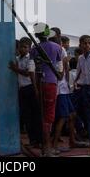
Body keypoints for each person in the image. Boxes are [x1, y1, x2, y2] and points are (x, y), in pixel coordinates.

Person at [30, 23, 63, 157]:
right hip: (51, 83)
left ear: (37, 35)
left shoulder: (34, 49)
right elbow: (60, 69)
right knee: (49, 116)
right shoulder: (57, 47)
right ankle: (48, 148)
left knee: (43, 115)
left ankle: (46, 146)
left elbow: (32, 70)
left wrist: (35, 88)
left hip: (40, 83)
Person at [9, 37, 42, 148]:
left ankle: (39, 140)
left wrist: (15, 69)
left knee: (35, 116)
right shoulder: (18, 59)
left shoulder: (30, 59)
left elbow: (28, 73)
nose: (22, 49)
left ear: (29, 48)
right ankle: (32, 140)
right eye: (20, 47)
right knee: (27, 116)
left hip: (31, 88)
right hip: (22, 90)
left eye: (25, 47)